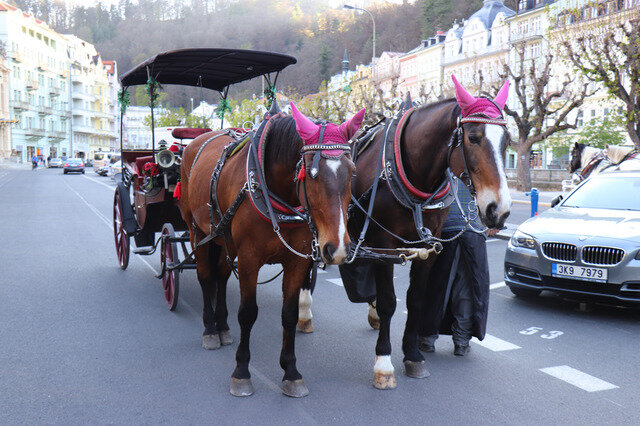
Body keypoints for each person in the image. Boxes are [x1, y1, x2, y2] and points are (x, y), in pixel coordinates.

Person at [418, 181, 498, 356]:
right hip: (473, 231)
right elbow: (494, 190)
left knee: (437, 285)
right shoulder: (476, 161)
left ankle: (427, 338)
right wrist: (494, 221)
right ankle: (461, 341)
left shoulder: (444, 158)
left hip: (444, 229)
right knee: (467, 289)